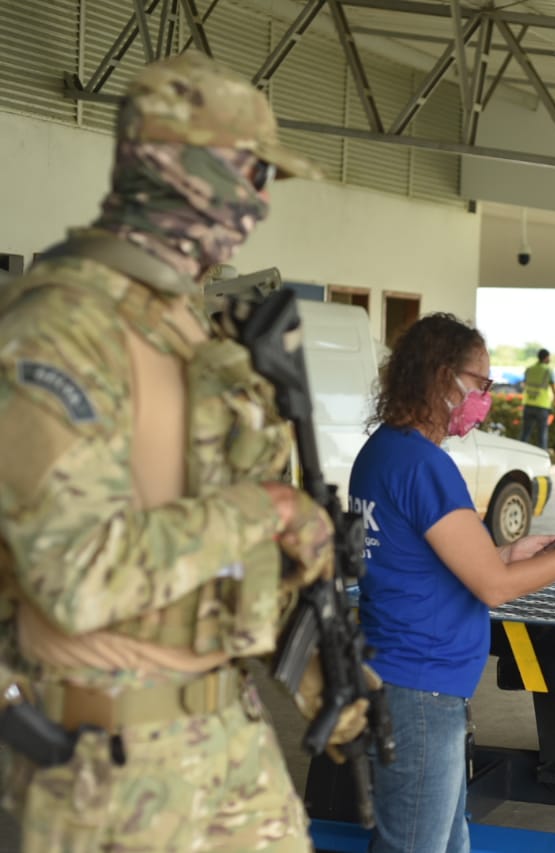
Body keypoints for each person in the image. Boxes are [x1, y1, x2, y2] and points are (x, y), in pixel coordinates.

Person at [0, 53, 343, 850]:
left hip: (224, 728)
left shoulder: (186, 324)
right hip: (108, 769)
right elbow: (78, 576)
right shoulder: (60, 327)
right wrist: (267, 510)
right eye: (253, 172)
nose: (259, 204)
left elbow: (203, 525)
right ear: (180, 166)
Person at [350, 313, 555, 853]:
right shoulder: (424, 466)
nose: (485, 398)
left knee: (444, 844)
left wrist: (508, 551)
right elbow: (494, 588)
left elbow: (419, 558)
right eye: (481, 383)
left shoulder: (384, 452)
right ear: (442, 378)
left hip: (406, 677)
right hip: (421, 685)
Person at [519, 347, 555, 449]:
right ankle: (543, 459)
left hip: (528, 405)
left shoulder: (529, 369)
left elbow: (523, 385)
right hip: (542, 407)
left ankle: (519, 456)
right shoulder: (548, 371)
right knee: (542, 436)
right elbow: (554, 390)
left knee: (525, 434)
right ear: (546, 358)